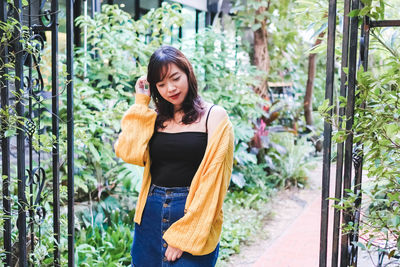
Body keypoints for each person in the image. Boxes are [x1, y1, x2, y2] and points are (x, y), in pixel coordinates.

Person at [114, 45, 234, 267]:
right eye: (161, 84)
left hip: (193, 212)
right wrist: (141, 104)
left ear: (188, 72)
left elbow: (214, 183)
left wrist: (184, 235)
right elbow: (128, 152)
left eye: (175, 78)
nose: (170, 88)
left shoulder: (214, 116)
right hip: (150, 211)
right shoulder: (156, 119)